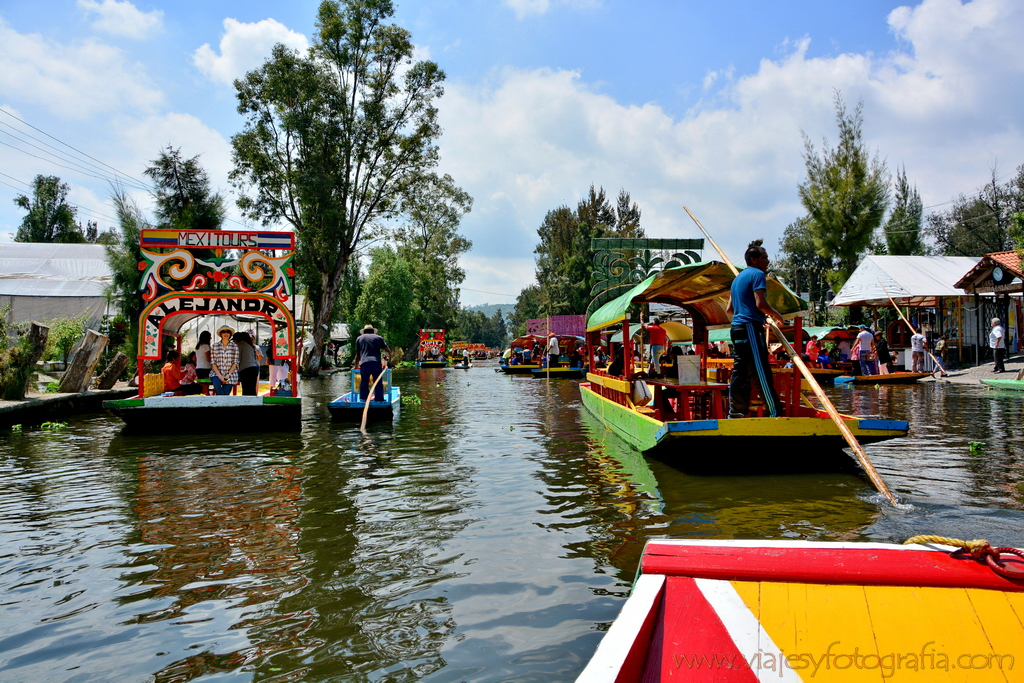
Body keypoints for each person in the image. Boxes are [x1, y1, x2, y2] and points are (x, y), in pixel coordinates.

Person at [727, 242, 784, 418]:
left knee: (741, 371)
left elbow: (730, 309)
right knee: (761, 370)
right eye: (764, 257)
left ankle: (736, 412)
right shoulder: (758, 274)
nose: (767, 261)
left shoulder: (737, 279)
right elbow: (761, 303)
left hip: (737, 328)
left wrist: (751, 313)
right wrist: (777, 315)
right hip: (750, 327)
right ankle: (774, 413)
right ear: (754, 259)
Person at [356, 324, 389, 401]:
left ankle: (363, 399)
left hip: (364, 363)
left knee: (364, 381)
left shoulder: (359, 338)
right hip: (376, 362)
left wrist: (355, 366)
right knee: (377, 381)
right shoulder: (378, 338)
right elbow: (387, 350)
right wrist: (387, 356)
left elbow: (357, 355)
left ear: (364, 332)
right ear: (373, 331)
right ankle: (379, 398)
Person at [210, 325, 239, 395]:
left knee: (226, 392)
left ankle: (219, 403)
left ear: (230, 334)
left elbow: (235, 362)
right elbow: (213, 362)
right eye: (223, 332)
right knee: (217, 384)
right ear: (220, 334)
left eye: (228, 332)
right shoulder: (214, 346)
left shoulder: (235, 346)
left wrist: (228, 375)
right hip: (217, 373)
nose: (226, 334)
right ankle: (221, 403)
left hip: (230, 374)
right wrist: (220, 376)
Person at [233, 331, 263, 395]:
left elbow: (237, 359)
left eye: (234, 340)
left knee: (246, 389)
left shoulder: (240, 345)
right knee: (252, 389)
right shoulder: (249, 345)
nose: (233, 342)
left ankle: (247, 403)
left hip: (246, 370)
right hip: (254, 368)